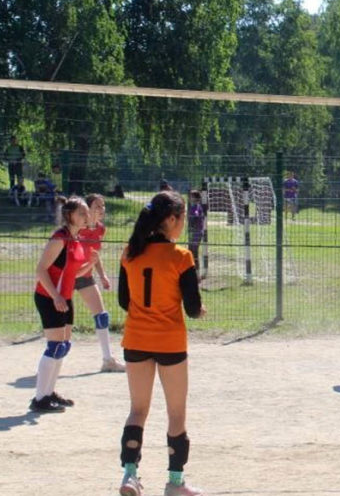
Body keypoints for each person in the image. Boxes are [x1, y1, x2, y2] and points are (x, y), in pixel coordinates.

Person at [116, 190, 207, 496]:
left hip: (136, 339)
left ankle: (130, 476)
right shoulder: (181, 257)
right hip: (169, 342)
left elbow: (124, 301)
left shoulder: (129, 253)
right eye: (181, 218)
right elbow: (192, 308)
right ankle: (175, 482)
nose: (183, 224)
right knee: (176, 413)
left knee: (137, 410)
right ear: (170, 219)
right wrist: (200, 311)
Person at [30, 196, 90, 413]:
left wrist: (89, 266)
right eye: (81, 213)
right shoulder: (60, 238)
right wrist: (55, 296)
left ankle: (49, 392)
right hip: (50, 297)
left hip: (65, 297)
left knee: (63, 347)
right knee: (54, 346)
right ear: (69, 215)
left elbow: (71, 273)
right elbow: (41, 269)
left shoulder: (76, 238)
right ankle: (39, 399)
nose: (86, 216)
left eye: (86, 212)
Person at [75, 193, 126, 372]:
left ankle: (107, 360)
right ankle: (52, 359)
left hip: (84, 275)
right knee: (62, 322)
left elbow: (94, 256)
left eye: (103, 206)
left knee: (101, 316)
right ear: (87, 209)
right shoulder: (76, 229)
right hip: (67, 276)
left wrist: (103, 276)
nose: (102, 209)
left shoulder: (100, 229)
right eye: (97, 206)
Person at [187, 191, 205, 273]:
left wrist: (191, 221)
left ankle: (197, 272)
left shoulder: (196, 207)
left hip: (197, 232)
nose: (190, 198)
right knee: (190, 250)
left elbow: (195, 215)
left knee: (194, 251)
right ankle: (192, 270)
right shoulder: (193, 206)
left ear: (195, 198)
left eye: (191, 196)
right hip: (194, 232)